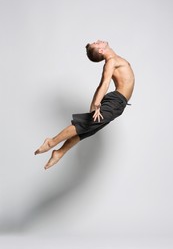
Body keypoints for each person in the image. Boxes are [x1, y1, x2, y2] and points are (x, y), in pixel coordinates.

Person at [34, 40, 135, 170]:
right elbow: (104, 84)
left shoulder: (114, 59)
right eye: (96, 43)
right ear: (101, 50)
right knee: (85, 124)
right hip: (116, 101)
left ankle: (59, 152)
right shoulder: (111, 62)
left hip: (118, 103)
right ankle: (51, 142)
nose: (97, 41)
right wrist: (97, 105)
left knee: (88, 128)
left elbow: (100, 86)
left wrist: (94, 104)